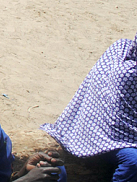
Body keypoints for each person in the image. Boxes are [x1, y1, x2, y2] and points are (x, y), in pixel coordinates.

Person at [42, 32, 137, 182]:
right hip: (106, 135)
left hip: (126, 134)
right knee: (134, 162)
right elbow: (110, 111)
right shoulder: (121, 55)